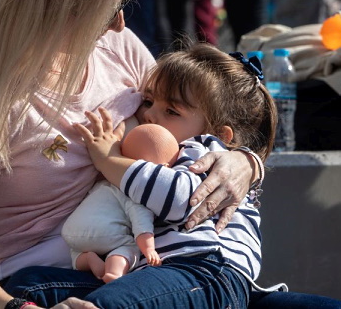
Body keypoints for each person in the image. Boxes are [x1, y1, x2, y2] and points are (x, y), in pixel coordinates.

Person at [0, 0, 273, 308]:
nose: (119, 22)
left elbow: (198, 120)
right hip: (48, 286)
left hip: (161, 268)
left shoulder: (119, 47)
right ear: (54, 6)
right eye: (105, 9)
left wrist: (245, 162)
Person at [65, 42, 279, 308]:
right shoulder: (167, 156)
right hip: (163, 272)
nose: (148, 115)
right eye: (149, 101)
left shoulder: (205, 150)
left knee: (110, 303)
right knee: (33, 283)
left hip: (207, 270)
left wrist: (108, 160)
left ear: (220, 134)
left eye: (171, 111)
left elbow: (180, 200)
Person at [61, 123, 178, 283]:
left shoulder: (105, 182)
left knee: (77, 248)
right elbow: (141, 222)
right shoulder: (136, 192)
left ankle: (88, 259)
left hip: (69, 230)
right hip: (105, 233)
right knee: (130, 246)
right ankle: (114, 273)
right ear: (162, 169)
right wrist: (149, 249)